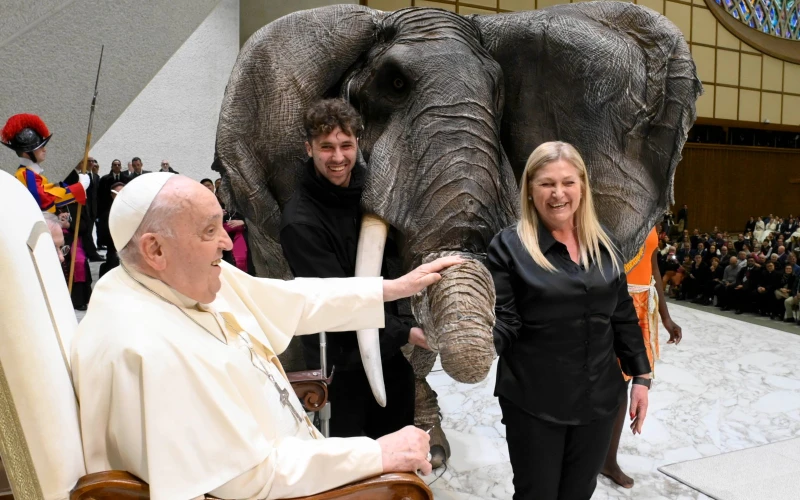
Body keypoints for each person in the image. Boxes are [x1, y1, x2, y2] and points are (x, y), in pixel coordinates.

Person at [71, 173, 460, 499]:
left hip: (294, 463)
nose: (226, 241)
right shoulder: (145, 348)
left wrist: (390, 288)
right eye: (210, 230)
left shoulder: (169, 279)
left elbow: (293, 298)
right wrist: (377, 454)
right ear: (154, 248)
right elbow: (248, 479)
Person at [487, 142, 651, 500]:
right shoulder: (508, 247)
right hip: (535, 402)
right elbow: (506, 323)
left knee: (579, 493)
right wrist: (467, 343)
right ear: (530, 189)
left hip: (599, 399)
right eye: (547, 183)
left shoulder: (605, 244)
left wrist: (641, 377)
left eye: (568, 182)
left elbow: (622, 314)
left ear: (582, 187)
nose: (558, 193)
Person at [280, 99, 422, 440]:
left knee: (399, 444)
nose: (338, 157)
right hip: (338, 363)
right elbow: (337, 301)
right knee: (352, 467)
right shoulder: (299, 221)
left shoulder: (373, 192)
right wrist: (407, 332)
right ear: (309, 148)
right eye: (326, 147)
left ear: (358, 143)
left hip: (383, 350)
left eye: (346, 145)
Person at [601, 225, 682, 488]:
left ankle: (608, 460)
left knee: (624, 382)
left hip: (641, 305)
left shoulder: (652, 217)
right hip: (612, 301)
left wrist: (666, 317)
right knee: (598, 380)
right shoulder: (606, 210)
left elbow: (654, 267)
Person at [2, 113, 89, 212]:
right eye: (40, 147)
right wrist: (79, 188)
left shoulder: (29, 173)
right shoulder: (26, 174)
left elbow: (49, 192)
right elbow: (45, 201)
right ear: (27, 153)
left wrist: (71, 188)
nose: (44, 150)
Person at [98, 181, 125, 278]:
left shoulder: (133, 210)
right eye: (117, 193)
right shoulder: (107, 214)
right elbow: (102, 237)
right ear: (112, 195)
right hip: (114, 250)